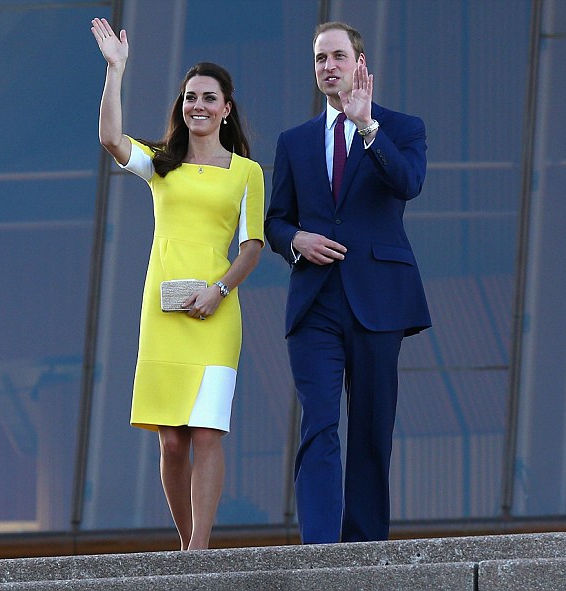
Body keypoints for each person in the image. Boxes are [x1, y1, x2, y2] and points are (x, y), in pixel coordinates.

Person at [90, 17, 264, 551]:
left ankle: (200, 551)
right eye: (190, 97)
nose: (199, 106)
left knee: (208, 432)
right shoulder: (163, 165)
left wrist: (220, 290)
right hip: (163, 315)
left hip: (215, 314)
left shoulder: (246, 172)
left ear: (227, 108)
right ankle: (187, 549)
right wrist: (116, 70)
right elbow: (111, 138)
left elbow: (253, 246)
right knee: (171, 442)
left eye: (210, 98)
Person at [264, 21, 431, 544]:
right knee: (318, 423)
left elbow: (409, 183)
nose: (328, 67)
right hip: (315, 301)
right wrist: (297, 241)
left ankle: (362, 548)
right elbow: (276, 220)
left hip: (379, 298)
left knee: (371, 429)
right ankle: (318, 547)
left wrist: (367, 129)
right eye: (320, 60)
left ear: (360, 65)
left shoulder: (402, 127)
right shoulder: (295, 141)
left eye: (337, 56)